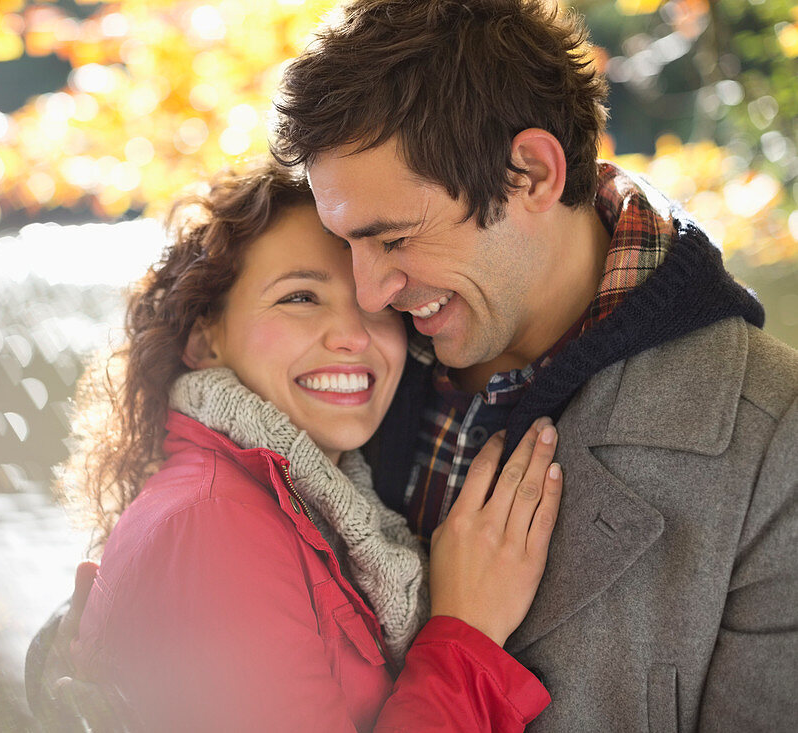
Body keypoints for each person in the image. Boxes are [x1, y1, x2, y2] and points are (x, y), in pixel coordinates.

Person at [270, 0, 798, 729]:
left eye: (393, 240)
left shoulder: (776, 441)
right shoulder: (335, 357)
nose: (368, 292)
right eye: (348, 242)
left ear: (533, 173)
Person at [28, 163, 563, 731]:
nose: (354, 335)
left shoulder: (310, 507)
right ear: (205, 337)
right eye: (301, 297)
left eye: (377, 307)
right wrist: (466, 634)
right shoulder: (213, 526)